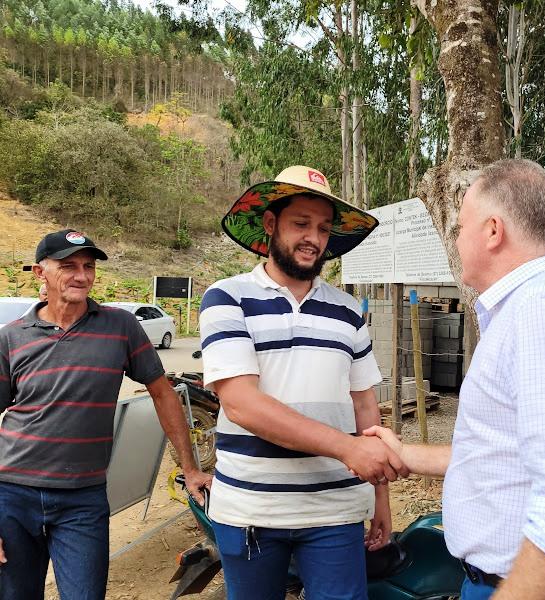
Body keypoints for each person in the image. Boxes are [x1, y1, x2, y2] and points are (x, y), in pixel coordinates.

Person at [364, 158, 545, 599]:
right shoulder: (526, 311)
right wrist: (407, 454)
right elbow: (505, 451)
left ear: (493, 230)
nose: (454, 239)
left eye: (460, 227)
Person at [199, 165, 407, 600]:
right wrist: (349, 448)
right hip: (251, 509)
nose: (313, 237)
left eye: (324, 228)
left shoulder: (348, 310)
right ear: (271, 224)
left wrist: (379, 500)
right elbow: (240, 404)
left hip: (336, 509)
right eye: (301, 223)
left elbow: (366, 407)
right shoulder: (226, 297)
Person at [0, 229, 211, 600]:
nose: (82, 275)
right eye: (68, 266)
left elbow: (162, 394)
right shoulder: (12, 337)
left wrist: (190, 468)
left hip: (83, 498)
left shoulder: (121, 326)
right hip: (13, 495)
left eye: (88, 266)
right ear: (39, 273)